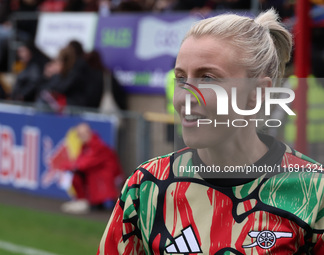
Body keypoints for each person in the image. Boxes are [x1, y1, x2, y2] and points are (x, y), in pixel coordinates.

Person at [97, 9, 324, 254]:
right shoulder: (146, 186)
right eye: (181, 78)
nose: (186, 97)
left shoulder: (314, 190)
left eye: (207, 78)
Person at [60, 123, 124, 214]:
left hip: (107, 177)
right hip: (97, 175)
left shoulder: (97, 145)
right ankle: (84, 201)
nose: (80, 137)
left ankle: (92, 203)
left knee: (89, 176)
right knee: (77, 176)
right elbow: (80, 161)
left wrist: (70, 166)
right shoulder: (85, 146)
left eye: (82, 134)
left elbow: (85, 164)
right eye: (79, 134)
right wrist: (72, 166)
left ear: (88, 132)